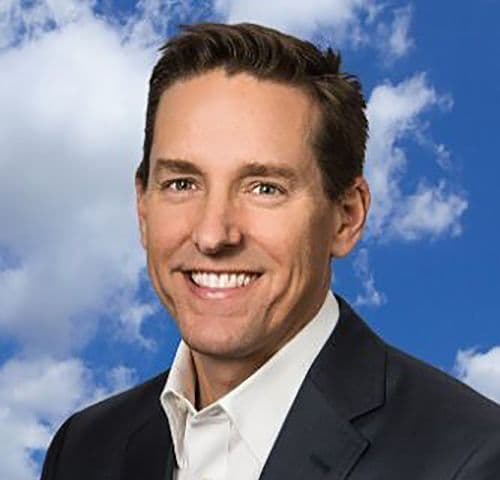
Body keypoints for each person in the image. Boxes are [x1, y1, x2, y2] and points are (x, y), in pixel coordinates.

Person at [41, 22, 500, 480]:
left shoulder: (472, 459)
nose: (213, 235)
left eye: (264, 188)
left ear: (346, 216)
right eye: (182, 183)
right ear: (143, 206)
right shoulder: (84, 448)